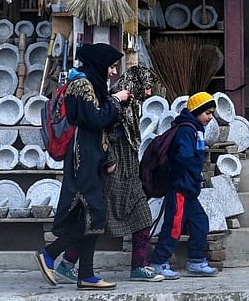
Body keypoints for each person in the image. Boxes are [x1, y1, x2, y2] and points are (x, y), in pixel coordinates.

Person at [54, 65, 166, 283]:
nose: (149, 93)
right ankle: (65, 262)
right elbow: (104, 133)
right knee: (97, 220)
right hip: (114, 170)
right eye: (148, 87)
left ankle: (139, 266)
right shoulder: (117, 103)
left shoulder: (131, 105)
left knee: (142, 214)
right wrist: (111, 161)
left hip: (129, 170)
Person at [33, 43, 129, 290]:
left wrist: (106, 159)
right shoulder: (81, 85)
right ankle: (50, 254)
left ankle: (85, 274)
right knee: (90, 212)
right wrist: (116, 101)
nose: (114, 72)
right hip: (82, 156)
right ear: (99, 64)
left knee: (91, 215)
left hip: (92, 155)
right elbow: (95, 119)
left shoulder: (92, 83)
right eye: (111, 66)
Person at [149, 91, 219, 278]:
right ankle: (159, 262)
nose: (210, 117)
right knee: (174, 225)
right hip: (181, 188)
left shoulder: (195, 129)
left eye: (212, 113)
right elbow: (183, 158)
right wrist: (185, 178)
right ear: (197, 111)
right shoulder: (187, 130)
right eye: (207, 113)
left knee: (200, 222)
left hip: (189, 190)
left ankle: (196, 261)